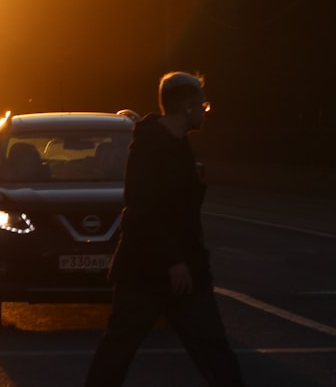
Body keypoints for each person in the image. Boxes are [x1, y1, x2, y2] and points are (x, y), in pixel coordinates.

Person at [85, 72, 245, 387]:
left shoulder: (176, 144)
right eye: (203, 104)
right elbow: (143, 208)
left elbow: (176, 209)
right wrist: (174, 261)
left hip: (178, 269)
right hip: (148, 271)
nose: (204, 110)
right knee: (119, 349)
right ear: (186, 105)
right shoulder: (151, 146)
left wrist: (195, 187)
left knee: (212, 349)